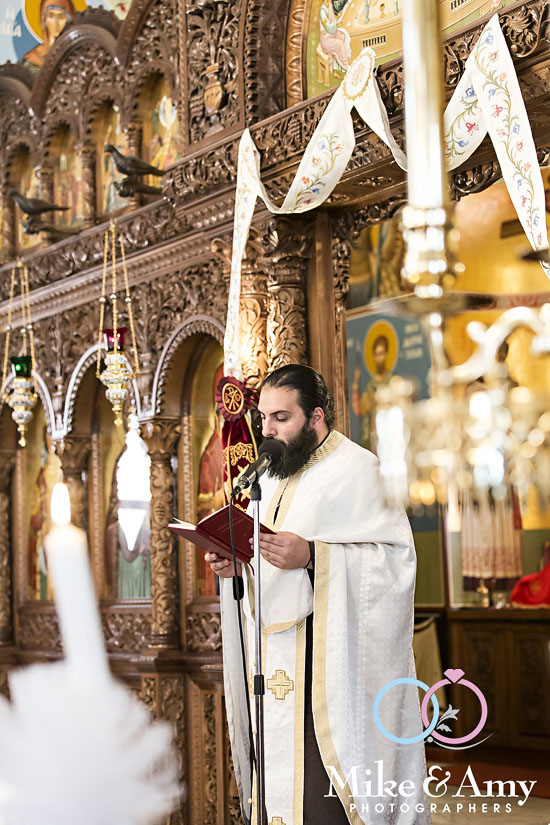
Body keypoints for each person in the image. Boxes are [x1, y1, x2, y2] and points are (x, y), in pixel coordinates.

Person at [206, 364, 429, 825]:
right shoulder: (265, 478)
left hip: (328, 676)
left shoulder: (359, 469)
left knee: (321, 804)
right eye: (263, 418)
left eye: (281, 418)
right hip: (272, 668)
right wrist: (235, 567)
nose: (267, 431)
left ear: (316, 418)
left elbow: (396, 564)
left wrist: (313, 556)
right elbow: (263, 565)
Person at [352, 334, 393, 452]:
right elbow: (359, 410)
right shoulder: (370, 385)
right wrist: (355, 383)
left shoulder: (392, 380)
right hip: (373, 439)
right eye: (376, 354)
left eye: (381, 353)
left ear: (386, 354)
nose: (378, 358)